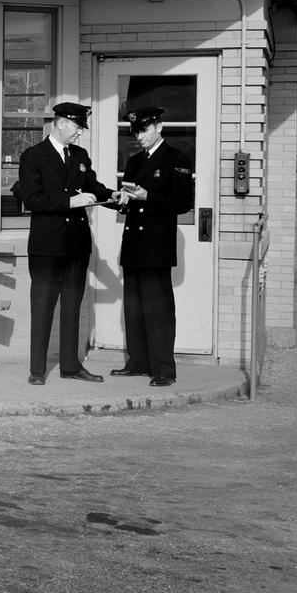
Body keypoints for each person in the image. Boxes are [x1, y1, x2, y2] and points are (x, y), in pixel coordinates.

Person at [16, 102, 116, 385]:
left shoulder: (80, 156)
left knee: (72, 305)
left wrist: (115, 198)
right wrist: (69, 201)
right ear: (60, 123)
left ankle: (70, 366)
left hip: (76, 244)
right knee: (43, 306)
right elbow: (31, 199)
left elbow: (94, 189)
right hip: (47, 246)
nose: (79, 133)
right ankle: (37, 370)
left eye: (82, 128)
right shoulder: (34, 156)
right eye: (76, 127)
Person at [109, 106, 195, 387]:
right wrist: (123, 200)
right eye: (135, 131)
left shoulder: (177, 159)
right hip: (134, 243)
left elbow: (183, 203)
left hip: (156, 247)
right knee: (133, 308)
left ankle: (163, 369)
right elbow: (131, 198)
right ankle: (138, 362)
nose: (139, 136)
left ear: (159, 127)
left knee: (158, 310)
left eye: (144, 130)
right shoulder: (134, 162)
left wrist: (149, 196)